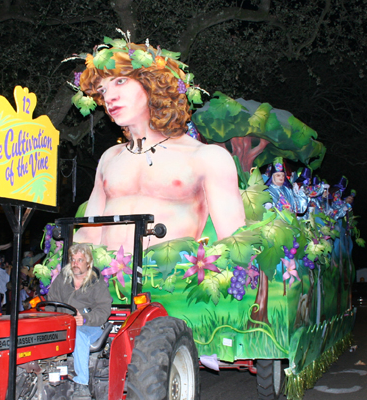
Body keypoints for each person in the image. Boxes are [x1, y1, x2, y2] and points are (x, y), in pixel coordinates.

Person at [71, 36, 245, 249]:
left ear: (152, 83)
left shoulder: (207, 157)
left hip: (175, 280)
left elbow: (233, 241)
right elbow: (89, 234)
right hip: (108, 278)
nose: (109, 97)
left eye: (120, 81)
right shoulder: (110, 158)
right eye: (103, 90)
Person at [47, 243, 112, 400]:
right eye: (73, 259)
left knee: (78, 334)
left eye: (80, 260)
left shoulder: (96, 284)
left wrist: (85, 318)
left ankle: (82, 384)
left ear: (88, 263)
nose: (75, 263)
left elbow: (103, 310)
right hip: (64, 324)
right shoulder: (62, 279)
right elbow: (51, 302)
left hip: (90, 326)